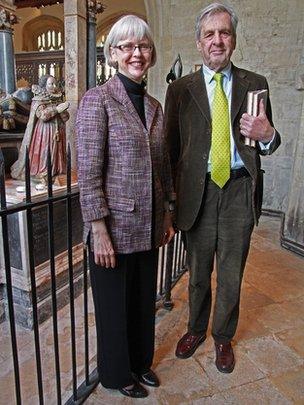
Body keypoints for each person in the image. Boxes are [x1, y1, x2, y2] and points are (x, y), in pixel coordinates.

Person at [164, 2, 281, 374]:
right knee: (197, 272)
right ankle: (196, 328)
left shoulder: (255, 83)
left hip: (237, 192)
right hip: (197, 192)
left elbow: (269, 139)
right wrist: (169, 203)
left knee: (231, 273)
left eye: (224, 32)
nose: (217, 40)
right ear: (199, 42)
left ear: (234, 39)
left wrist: (268, 135)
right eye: (209, 34)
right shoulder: (181, 89)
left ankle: (222, 337)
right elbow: (170, 147)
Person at [76, 15, 175, 398]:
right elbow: (88, 171)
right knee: (114, 308)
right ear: (113, 53)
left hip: (148, 225)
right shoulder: (96, 100)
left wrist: (167, 211)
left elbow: (164, 164)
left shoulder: (153, 105)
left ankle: (140, 363)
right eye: (127, 46)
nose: (136, 53)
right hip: (113, 230)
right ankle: (117, 374)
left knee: (140, 302)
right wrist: (98, 230)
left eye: (143, 46)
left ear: (151, 54)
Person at [11, 74, 69, 182]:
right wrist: (56, 109)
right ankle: (43, 172)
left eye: (55, 83)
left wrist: (63, 111)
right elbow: (42, 116)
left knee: (57, 151)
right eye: (51, 84)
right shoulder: (38, 100)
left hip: (58, 130)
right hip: (44, 131)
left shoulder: (57, 98)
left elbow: (65, 118)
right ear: (44, 85)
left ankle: (57, 171)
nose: (54, 86)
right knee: (45, 151)